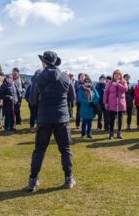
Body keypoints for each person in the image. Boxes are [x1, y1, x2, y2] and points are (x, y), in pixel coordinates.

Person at [28, 51, 76, 192]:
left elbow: (32, 101)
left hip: (44, 117)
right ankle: (68, 178)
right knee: (65, 149)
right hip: (61, 117)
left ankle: (33, 180)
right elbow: (72, 99)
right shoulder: (66, 78)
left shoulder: (38, 78)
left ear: (44, 62)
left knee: (39, 150)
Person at [103, 69, 128, 139]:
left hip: (120, 104)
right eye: (115, 74)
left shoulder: (123, 82)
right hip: (112, 103)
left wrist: (117, 84)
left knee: (120, 119)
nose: (117, 76)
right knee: (112, 119)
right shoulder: (110, 83)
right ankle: (111, 133)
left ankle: (119, 132)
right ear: (113, 75)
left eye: (118, 74)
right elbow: (106, 93)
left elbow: (125, 89)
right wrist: (105, 102)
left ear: (120, 75)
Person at [78, 74, 99, 138]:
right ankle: (83, 133)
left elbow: (97, 97)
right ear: (84, 83)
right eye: (86, 82)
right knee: (84, 122)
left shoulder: (93, 89)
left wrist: (93, 102)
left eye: (88, 82)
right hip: (84, 108)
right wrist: (88, 102)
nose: (87, 83)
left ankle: (89, 133)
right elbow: (80, 98)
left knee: (90, 122)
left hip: (91, 109)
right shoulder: (81, 89)